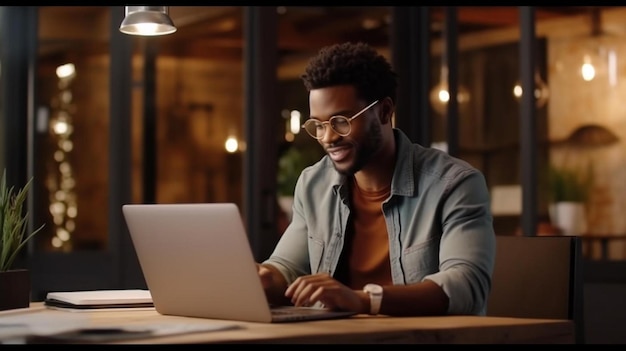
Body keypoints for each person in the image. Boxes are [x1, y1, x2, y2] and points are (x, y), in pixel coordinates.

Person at [258, 42, 495, 317]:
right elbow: (287, 269)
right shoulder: (313, 184)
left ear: (384, 111)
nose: (328, 137)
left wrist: (364, 300)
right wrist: (260, 279)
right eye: (319, 126)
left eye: (341, 121)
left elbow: (467, 285)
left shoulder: (455, 184)